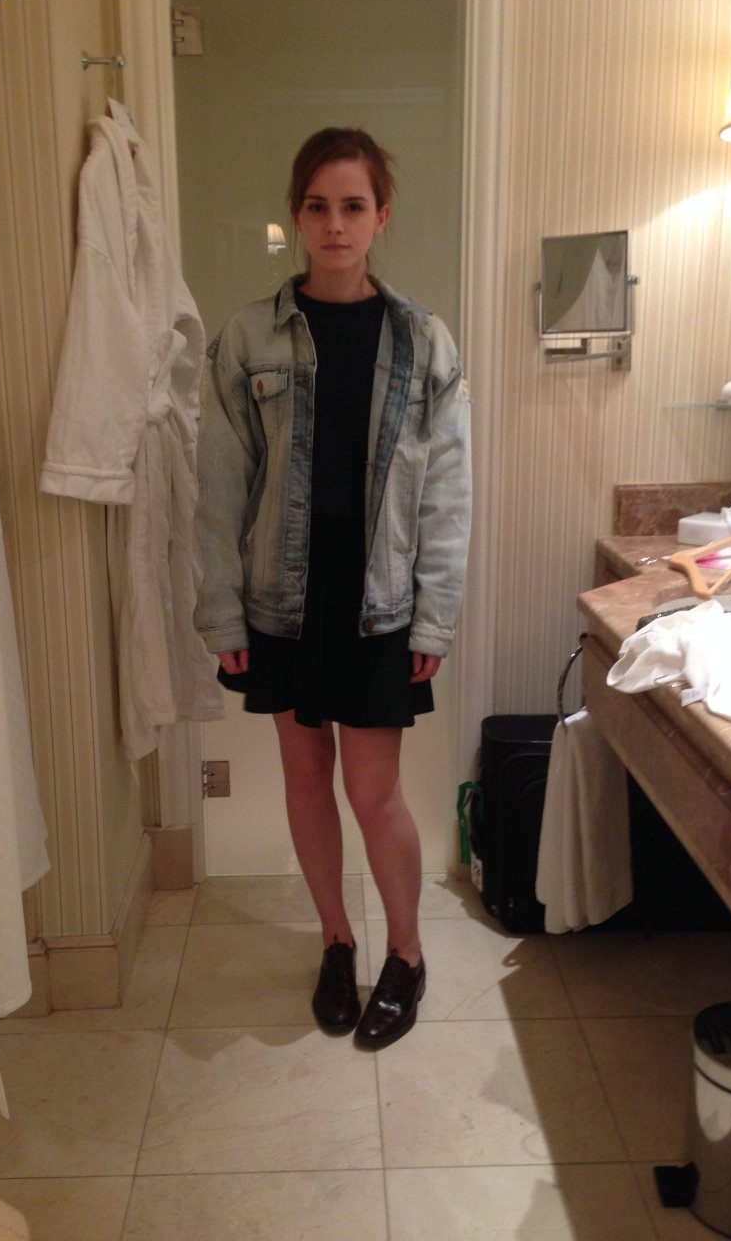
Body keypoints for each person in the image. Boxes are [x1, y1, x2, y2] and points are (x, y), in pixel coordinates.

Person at [195, 127, 471, 1048]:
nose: (335, 224)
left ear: (381, 216)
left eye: (353, 206)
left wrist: (435, 615)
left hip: (381, 597)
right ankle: (336, 941)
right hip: (282, 597)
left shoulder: (424, 340)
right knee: (305, 776)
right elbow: (218, 486)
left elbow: (448, 493)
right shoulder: (249, 336)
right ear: (296, 214)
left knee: (374, 792)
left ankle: (407, 955)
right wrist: (222, 610)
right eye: (318, 206)